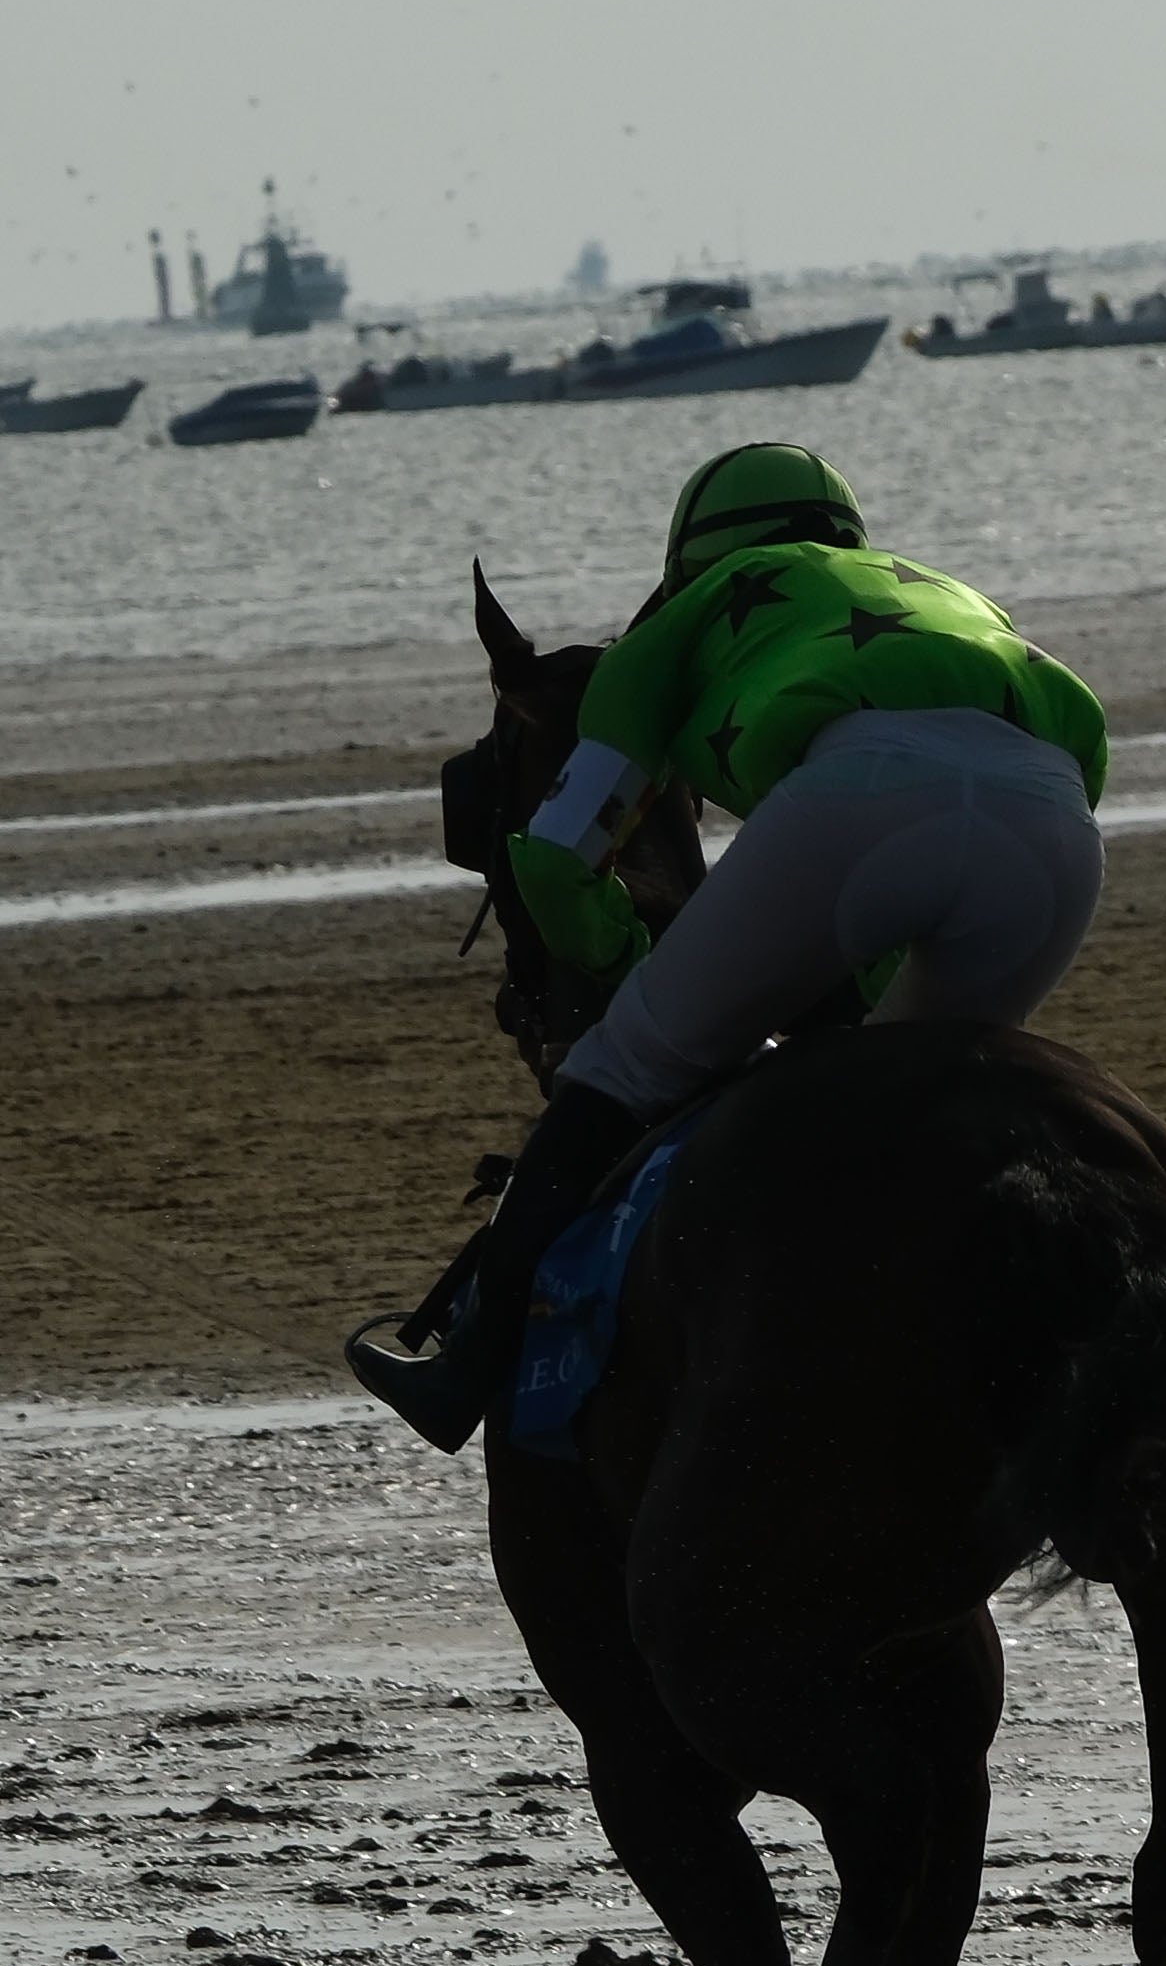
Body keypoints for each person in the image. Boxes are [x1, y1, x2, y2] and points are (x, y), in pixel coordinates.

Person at [348, 442, 1115, 1448]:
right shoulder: (944, 592)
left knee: (618, 1069)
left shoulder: (678, 624)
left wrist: (638, 976)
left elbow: (558, 857)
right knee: (917, 1112)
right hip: (1056, 823)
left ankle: (465, 1370)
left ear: (686, 561)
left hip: (861, 800)